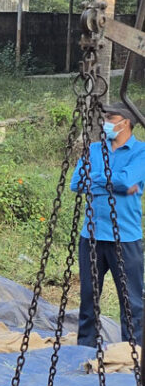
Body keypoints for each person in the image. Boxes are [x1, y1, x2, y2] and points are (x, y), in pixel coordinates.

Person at [70, 101, 145, 347]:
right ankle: (85, 351)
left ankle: (132, 356)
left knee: (131, 302)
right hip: (91, 237)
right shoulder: (93, 150)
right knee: (89, 300)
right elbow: (75, 183)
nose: (105, 124)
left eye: (110, 118)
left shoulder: (141, 153)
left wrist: (100, 181)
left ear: (126, 122)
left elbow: (126, 181)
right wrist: (116, 185)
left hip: (125, 238)